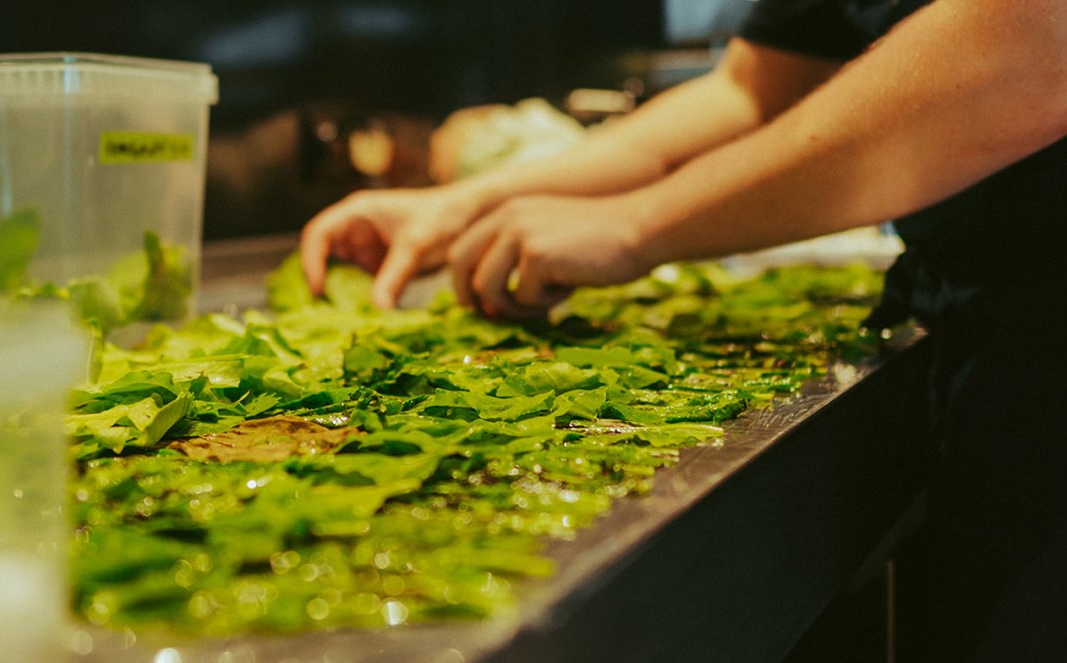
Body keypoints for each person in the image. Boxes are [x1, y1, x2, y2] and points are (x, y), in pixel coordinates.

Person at [302, 1, 1067, 660]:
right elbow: (752, 91)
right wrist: (469, 204)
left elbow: (1033, 46)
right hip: (990, 343)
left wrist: (636, 227)